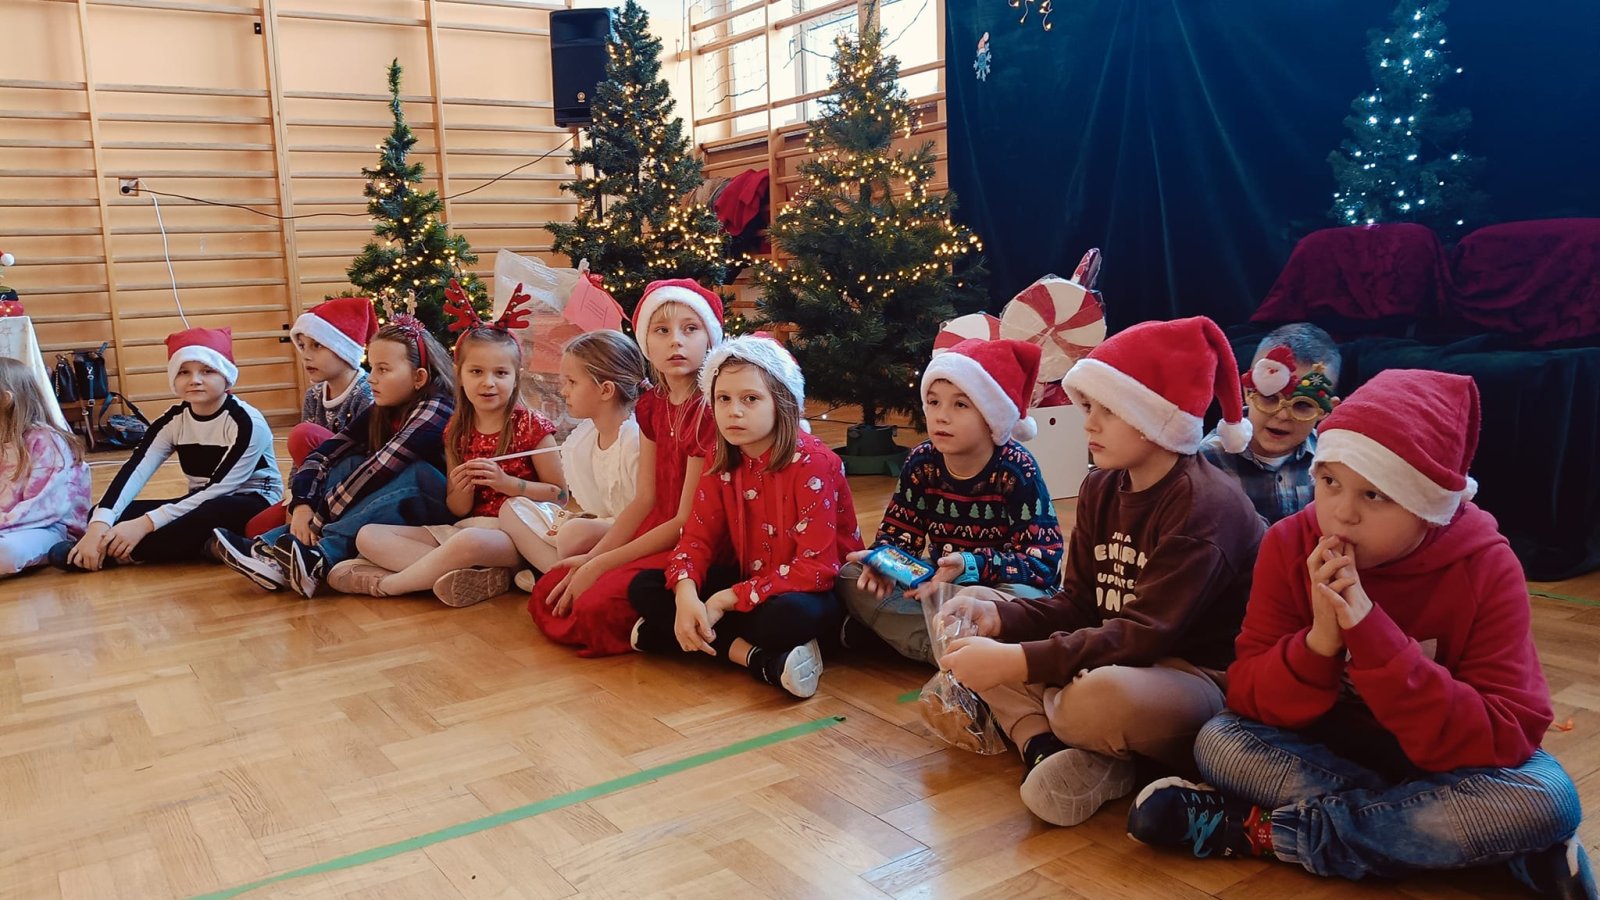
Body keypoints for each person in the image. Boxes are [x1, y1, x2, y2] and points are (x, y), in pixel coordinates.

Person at [1127, 369, 1594, 898]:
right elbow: (1249, 696)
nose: (1342, 514)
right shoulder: (1289, 543)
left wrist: (1371, 633)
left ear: (1427, 506)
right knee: (1221, 744)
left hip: (1450, 758)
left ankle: (1265, 834)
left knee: (1547, 799)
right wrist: (1319, 643)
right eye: (1329, 482)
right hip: (1333, 749)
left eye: (1374, 494)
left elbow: (1509, 730)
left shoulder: (1486, 564)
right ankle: (1468, 841)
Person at [937, 316, 1265, 827]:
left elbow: (1146, 635)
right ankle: (1047, 746)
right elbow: (1078, 603)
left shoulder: (1205, 506)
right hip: (1110, 650)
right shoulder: (1101, 485)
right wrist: (1000, 620)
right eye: (1089, 407)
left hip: (1191, 677)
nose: (1088, 424)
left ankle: (1056, 725)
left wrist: (1018, 662)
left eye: (1109, 410)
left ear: (1156, 415)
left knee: (1098, 698)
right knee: (981, 610)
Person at [627, 335, 862, 698]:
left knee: (786, 617)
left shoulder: (814, 463)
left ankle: (675, 635)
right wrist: (686, 595)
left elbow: (816, 569)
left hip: (811, 591)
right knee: (644, 587)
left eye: (750, 399)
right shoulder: (721, 457)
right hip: (751, 580)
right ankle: (754, 658)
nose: (734, 411)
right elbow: (696, 539)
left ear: (782, 402)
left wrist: (725, 600)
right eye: (723, 399)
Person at [527, 279, 722, 657]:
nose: (676, 341)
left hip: (690, 538)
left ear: (710, 338)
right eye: (662, 330)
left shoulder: (707, 412)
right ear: (646, 341)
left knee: (592, 606)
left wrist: (601, 565)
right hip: (654, 528)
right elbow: (645, 499)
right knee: (551, 587)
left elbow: (684, 520)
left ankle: (657, 629)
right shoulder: (652, 406)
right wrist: (592, 558)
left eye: (690, 329)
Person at [838, 338, 1064, 663]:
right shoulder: (922, 461)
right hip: (941, 584)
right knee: (852, 576)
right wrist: (883, 561)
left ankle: (932, 645)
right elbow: (899, 536)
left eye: (960, 405)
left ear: (992, 416)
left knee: (1017, 602)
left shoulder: (1017, 468)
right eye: (933, 402)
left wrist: (970, 565)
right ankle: (962, 654)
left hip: (1000, 588)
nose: (941, 416)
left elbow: (1043, 566)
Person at [213, 316, 454, 598]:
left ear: (419, 378)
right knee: (349, 462)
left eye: (383, 369)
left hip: (439, 505)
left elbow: (381, 468)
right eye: (371, 367)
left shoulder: (437, 408)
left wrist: (317, 520)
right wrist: (303, 503)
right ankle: (270, 552)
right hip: (396, 502)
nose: (372, 378)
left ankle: (319, 556)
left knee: (414, 472)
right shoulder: (383, 408)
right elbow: (325, 453)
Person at [333, 324, 563, 605]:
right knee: (368, 536)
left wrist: (508, 484)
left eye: (501, 373)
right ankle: (478, 575)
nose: (488, 382)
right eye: (476, 372)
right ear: (460, 376)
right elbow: (458, 508)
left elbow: (560, 496)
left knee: (467, 543)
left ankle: (389, 585)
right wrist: (463, 488)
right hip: (467, 528)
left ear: (517, 378)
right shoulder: (456, 430)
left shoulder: (531, 426)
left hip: (517, 537)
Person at [55, 327, 281, 570]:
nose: (195, 380)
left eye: (207, 371)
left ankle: (110, 554)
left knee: (216, 509)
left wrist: (144, 524)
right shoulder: (172, 420)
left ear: (226, 376)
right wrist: (99, 525)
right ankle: (207, 546)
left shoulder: (248, 422)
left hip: (250, 502)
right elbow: (135, 470)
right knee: (102, 512)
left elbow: (219, 489)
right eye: (184, 372)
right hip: (197, 500)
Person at [501, 330, 644, 587]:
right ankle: (561, 574)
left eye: (572, 382)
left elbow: (645, 517)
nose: (563, 391)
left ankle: (555, 578)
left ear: (606, 390)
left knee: (574, 533)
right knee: (512, 509)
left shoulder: (635, 442)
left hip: (632, 537)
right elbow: (598, 511)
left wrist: (583, 527)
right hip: (602, 529)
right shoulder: (588, 438)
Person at [245, 296, 377, 537]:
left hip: (348, 485)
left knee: (304, 434)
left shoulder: (367, 393)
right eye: (303, 346)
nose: (305, 355)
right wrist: (295, 498)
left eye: (317, 345)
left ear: (344, 349)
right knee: (255, 528)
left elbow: (369, 458)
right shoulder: (314, 395)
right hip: (313, 480)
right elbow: (300, 460)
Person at [1199, 323, 1341, 525]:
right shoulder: (1207, 461)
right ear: (1247, 392)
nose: (1282, 415)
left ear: (1326, 410)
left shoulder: (1330, 460)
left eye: (1302, 405)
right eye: (1270, 397)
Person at [0, 357, 90, 577]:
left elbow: (44, 508)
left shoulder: (45, 441)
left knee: (5, 552)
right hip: (7, 527)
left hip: (49, 527)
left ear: (5, 399)